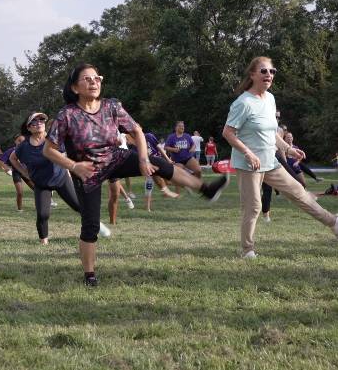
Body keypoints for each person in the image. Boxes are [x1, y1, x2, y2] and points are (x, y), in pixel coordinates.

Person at [44, 63, 229, 286]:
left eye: (97, 78)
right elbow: (49, 150)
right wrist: (74, 166)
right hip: (88, 169)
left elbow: (137, 131)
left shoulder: (111, 106)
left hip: (116, 157)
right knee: (90, 224)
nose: (94, 82)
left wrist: (142, 159)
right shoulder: (67, 114)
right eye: (87, 79)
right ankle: (89, 275)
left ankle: (205, 189)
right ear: (75, 88)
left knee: (159, 163)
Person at [222, 56, 338, 259]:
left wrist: (288, 148)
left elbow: (271, 132)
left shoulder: (270, 99)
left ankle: (334, 223)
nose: (269, 75)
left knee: (300, 192)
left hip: (270, 161)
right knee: (254, 206)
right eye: (264, 71)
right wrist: (248, 153)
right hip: (249, 164)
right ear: (252, 75)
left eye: (272, 71)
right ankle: (247, 250)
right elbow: (228, 133)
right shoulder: (243, 103)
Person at [11, 111, 110, 245]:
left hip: (61, 178)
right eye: (35, 121)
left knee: (78, 206)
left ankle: (97, 225)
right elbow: (13, 159)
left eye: (41, 120)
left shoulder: (53, 139)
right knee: (42, 215)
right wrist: (25, 173)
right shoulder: (24, 146)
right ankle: (43, 241)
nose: (39, 123)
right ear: (29, 127)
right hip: (41, 183)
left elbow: (66, 154)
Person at [0, 135, 34, 212]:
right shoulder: (11, 151)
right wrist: (7, 169)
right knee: (20, 192)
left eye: (23, 141)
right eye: (19, 140)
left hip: (26, 173)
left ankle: (46, 203)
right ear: (15, 141)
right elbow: (1, 161)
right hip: (16, 173)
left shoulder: (29, 150)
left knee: (37, 189)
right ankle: (19, 209)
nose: (21, 143)